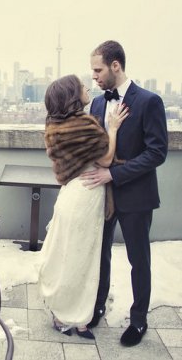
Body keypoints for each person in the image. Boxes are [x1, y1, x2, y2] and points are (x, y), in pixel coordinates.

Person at [81, 40, 168, 347]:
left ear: (115, 66)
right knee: (99, 253)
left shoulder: (149, 101)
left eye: (98, 69)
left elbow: (157, 153)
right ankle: (97, 305)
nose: (94, 76)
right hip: (102, 194)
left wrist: (114, 173)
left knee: (138, 258)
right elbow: (96, 145)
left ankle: (139, 319)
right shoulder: (97, 103)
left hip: (136, 194)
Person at [38, 74, 128, 339]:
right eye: (81, 87)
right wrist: (112, 128)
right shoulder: (82, 126)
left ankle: (66, 314)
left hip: (71, 195)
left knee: (68, 256)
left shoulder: (55, 126)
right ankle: (77, 319)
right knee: (83, 260)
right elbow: (106, 159)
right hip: (87, 197)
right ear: (72, 96)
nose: (87, 87)